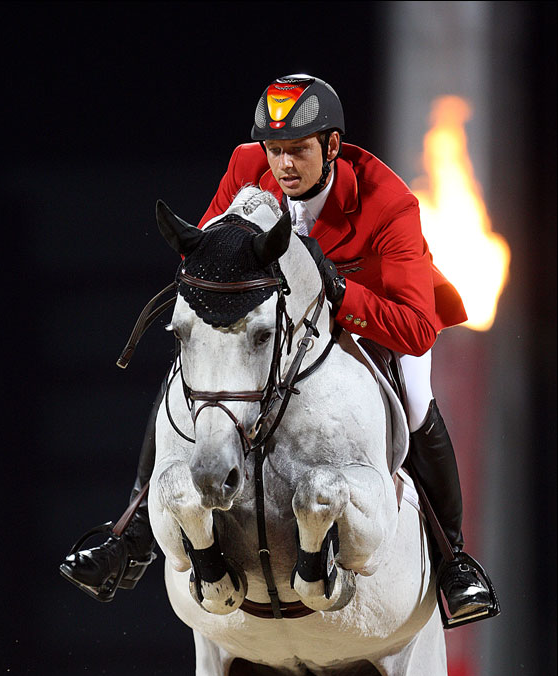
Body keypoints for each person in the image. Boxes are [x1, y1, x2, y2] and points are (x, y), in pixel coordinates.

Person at [60, 74, 498, 625]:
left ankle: (453, 559)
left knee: (413, 395)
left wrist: (335, 291)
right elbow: (203, 264)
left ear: (332, 146)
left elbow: (414, 328)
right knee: (192, 371)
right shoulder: (247, 167)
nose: (283, 165)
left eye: (297, 150)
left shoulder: (388, 202)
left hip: (372, 314)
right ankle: (135, 533)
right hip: (272, 315)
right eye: (275, 150)